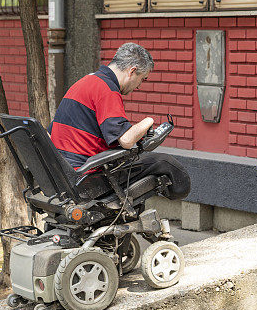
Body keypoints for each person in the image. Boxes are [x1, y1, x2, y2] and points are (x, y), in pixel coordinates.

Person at [49, 42, 190, 200]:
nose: (139, 86)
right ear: (132, 71)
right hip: (85, 178)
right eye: (142, 79)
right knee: (165, 162)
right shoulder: (106, 89)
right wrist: (148, 121)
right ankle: (176, 197)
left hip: (62, 174)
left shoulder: (84, 82)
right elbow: (126, 140)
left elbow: (51, 131)